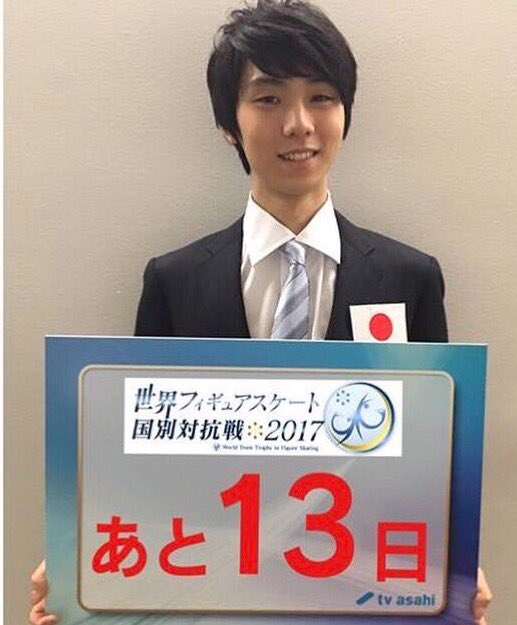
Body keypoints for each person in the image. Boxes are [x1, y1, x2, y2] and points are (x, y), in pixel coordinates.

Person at [29, 1, 492, 623]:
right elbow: (141, 461)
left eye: (321, 97)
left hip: (356, 593)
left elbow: (433, 457)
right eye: (269, 99)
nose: (298, 124)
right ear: (230, 122)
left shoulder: (410, 278)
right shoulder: (174, 280)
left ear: (345, 113)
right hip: (213, 594)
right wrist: (81, 561)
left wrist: (454, 566)